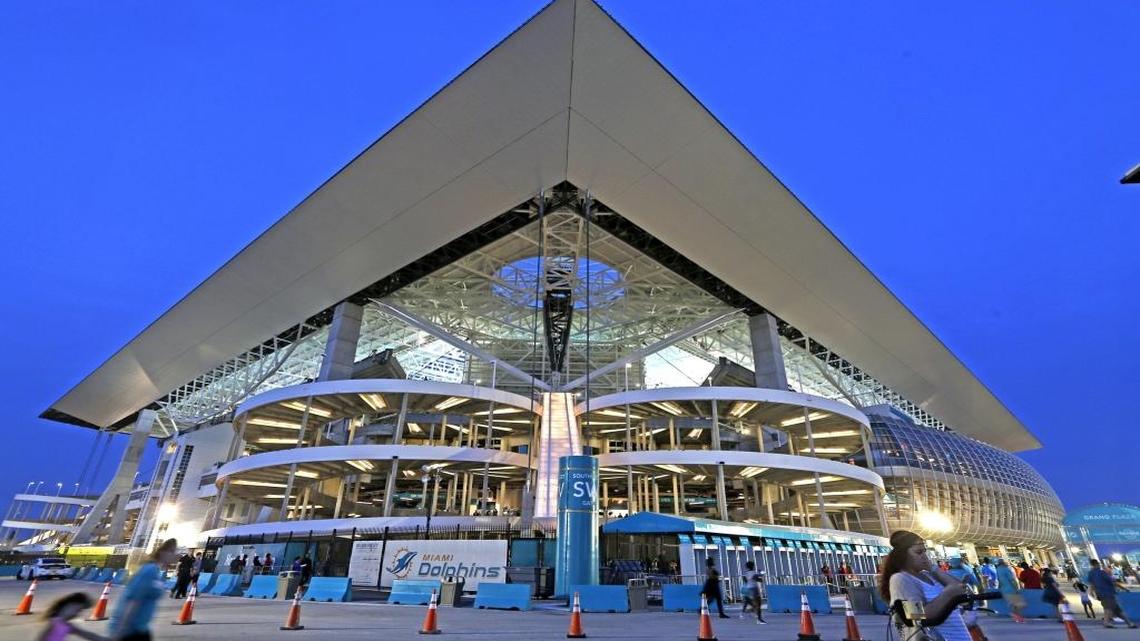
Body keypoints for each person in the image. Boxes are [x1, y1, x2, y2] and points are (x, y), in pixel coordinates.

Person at [880, 530, 971, 641]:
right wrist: (947, 595)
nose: (924, 556)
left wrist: (934, 569)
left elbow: (960, 590)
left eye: (924, 552)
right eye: (918, 552)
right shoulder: (900, 579)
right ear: (902, 555)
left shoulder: (929, 575)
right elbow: (914, 615)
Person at [110, 537, 179, 641]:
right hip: (130, 630)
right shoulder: (149, 570)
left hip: (141, 628)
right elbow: (134, 601)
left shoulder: (155, 571)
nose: (175, 555)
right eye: (172, 552)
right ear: (163, 553)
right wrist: (121, 631)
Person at [1088, 559, 1136, 629]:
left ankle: (1129, 623)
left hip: (1101, 594)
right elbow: (1113, 582)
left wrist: (1091, 593)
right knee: (1108, 608)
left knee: (1117, 610)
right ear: (1097, 564)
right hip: (1108, 593)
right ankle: (1106, 622)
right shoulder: (1102, 573)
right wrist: (1124, 588)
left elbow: (1091, 584)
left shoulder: (1091, 573)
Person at [36, 592, 105, 641]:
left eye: (80, 611)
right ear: (68, 606)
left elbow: (90, 635)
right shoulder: (53, 622)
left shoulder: (67, 626)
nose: (77, 614)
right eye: (77, 610)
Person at [996, 559, 1026, 623]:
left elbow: (999, 580)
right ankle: (1015, 615)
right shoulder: (1007, 569)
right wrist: (1017, 588)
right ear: (1004, 563)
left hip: (1004, 589)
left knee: (1015, 605)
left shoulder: (998, 570)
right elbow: (1013, 580)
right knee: (1020, 605)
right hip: (1011, 589)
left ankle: (1018, 618)